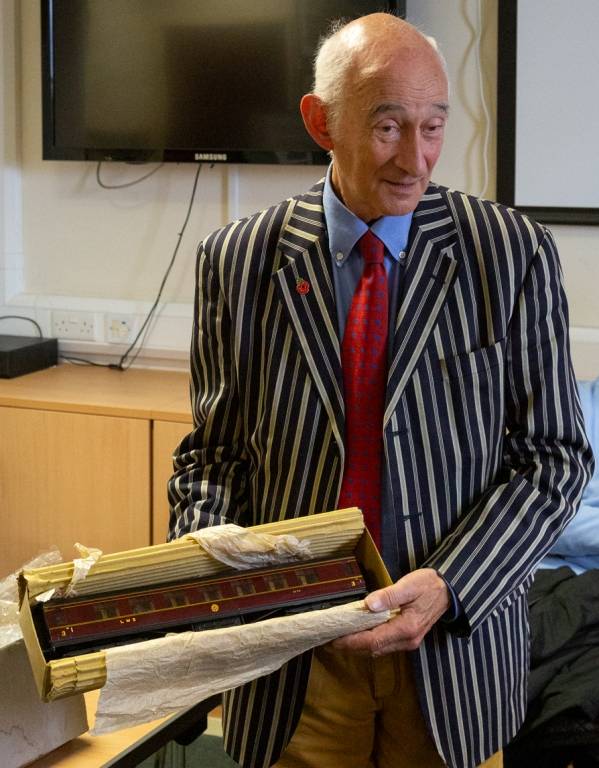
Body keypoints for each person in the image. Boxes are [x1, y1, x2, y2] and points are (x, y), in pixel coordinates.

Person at [168, 12, 593, 768]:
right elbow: (214, 456)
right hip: (295, 661)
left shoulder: (508, 252)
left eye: (433, 127)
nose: (415, 159)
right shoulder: (237, 260)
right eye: (388, 126)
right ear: (319, 121)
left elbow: (553, 458)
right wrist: (210, 567)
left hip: (451, 648)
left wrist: (450, 585)